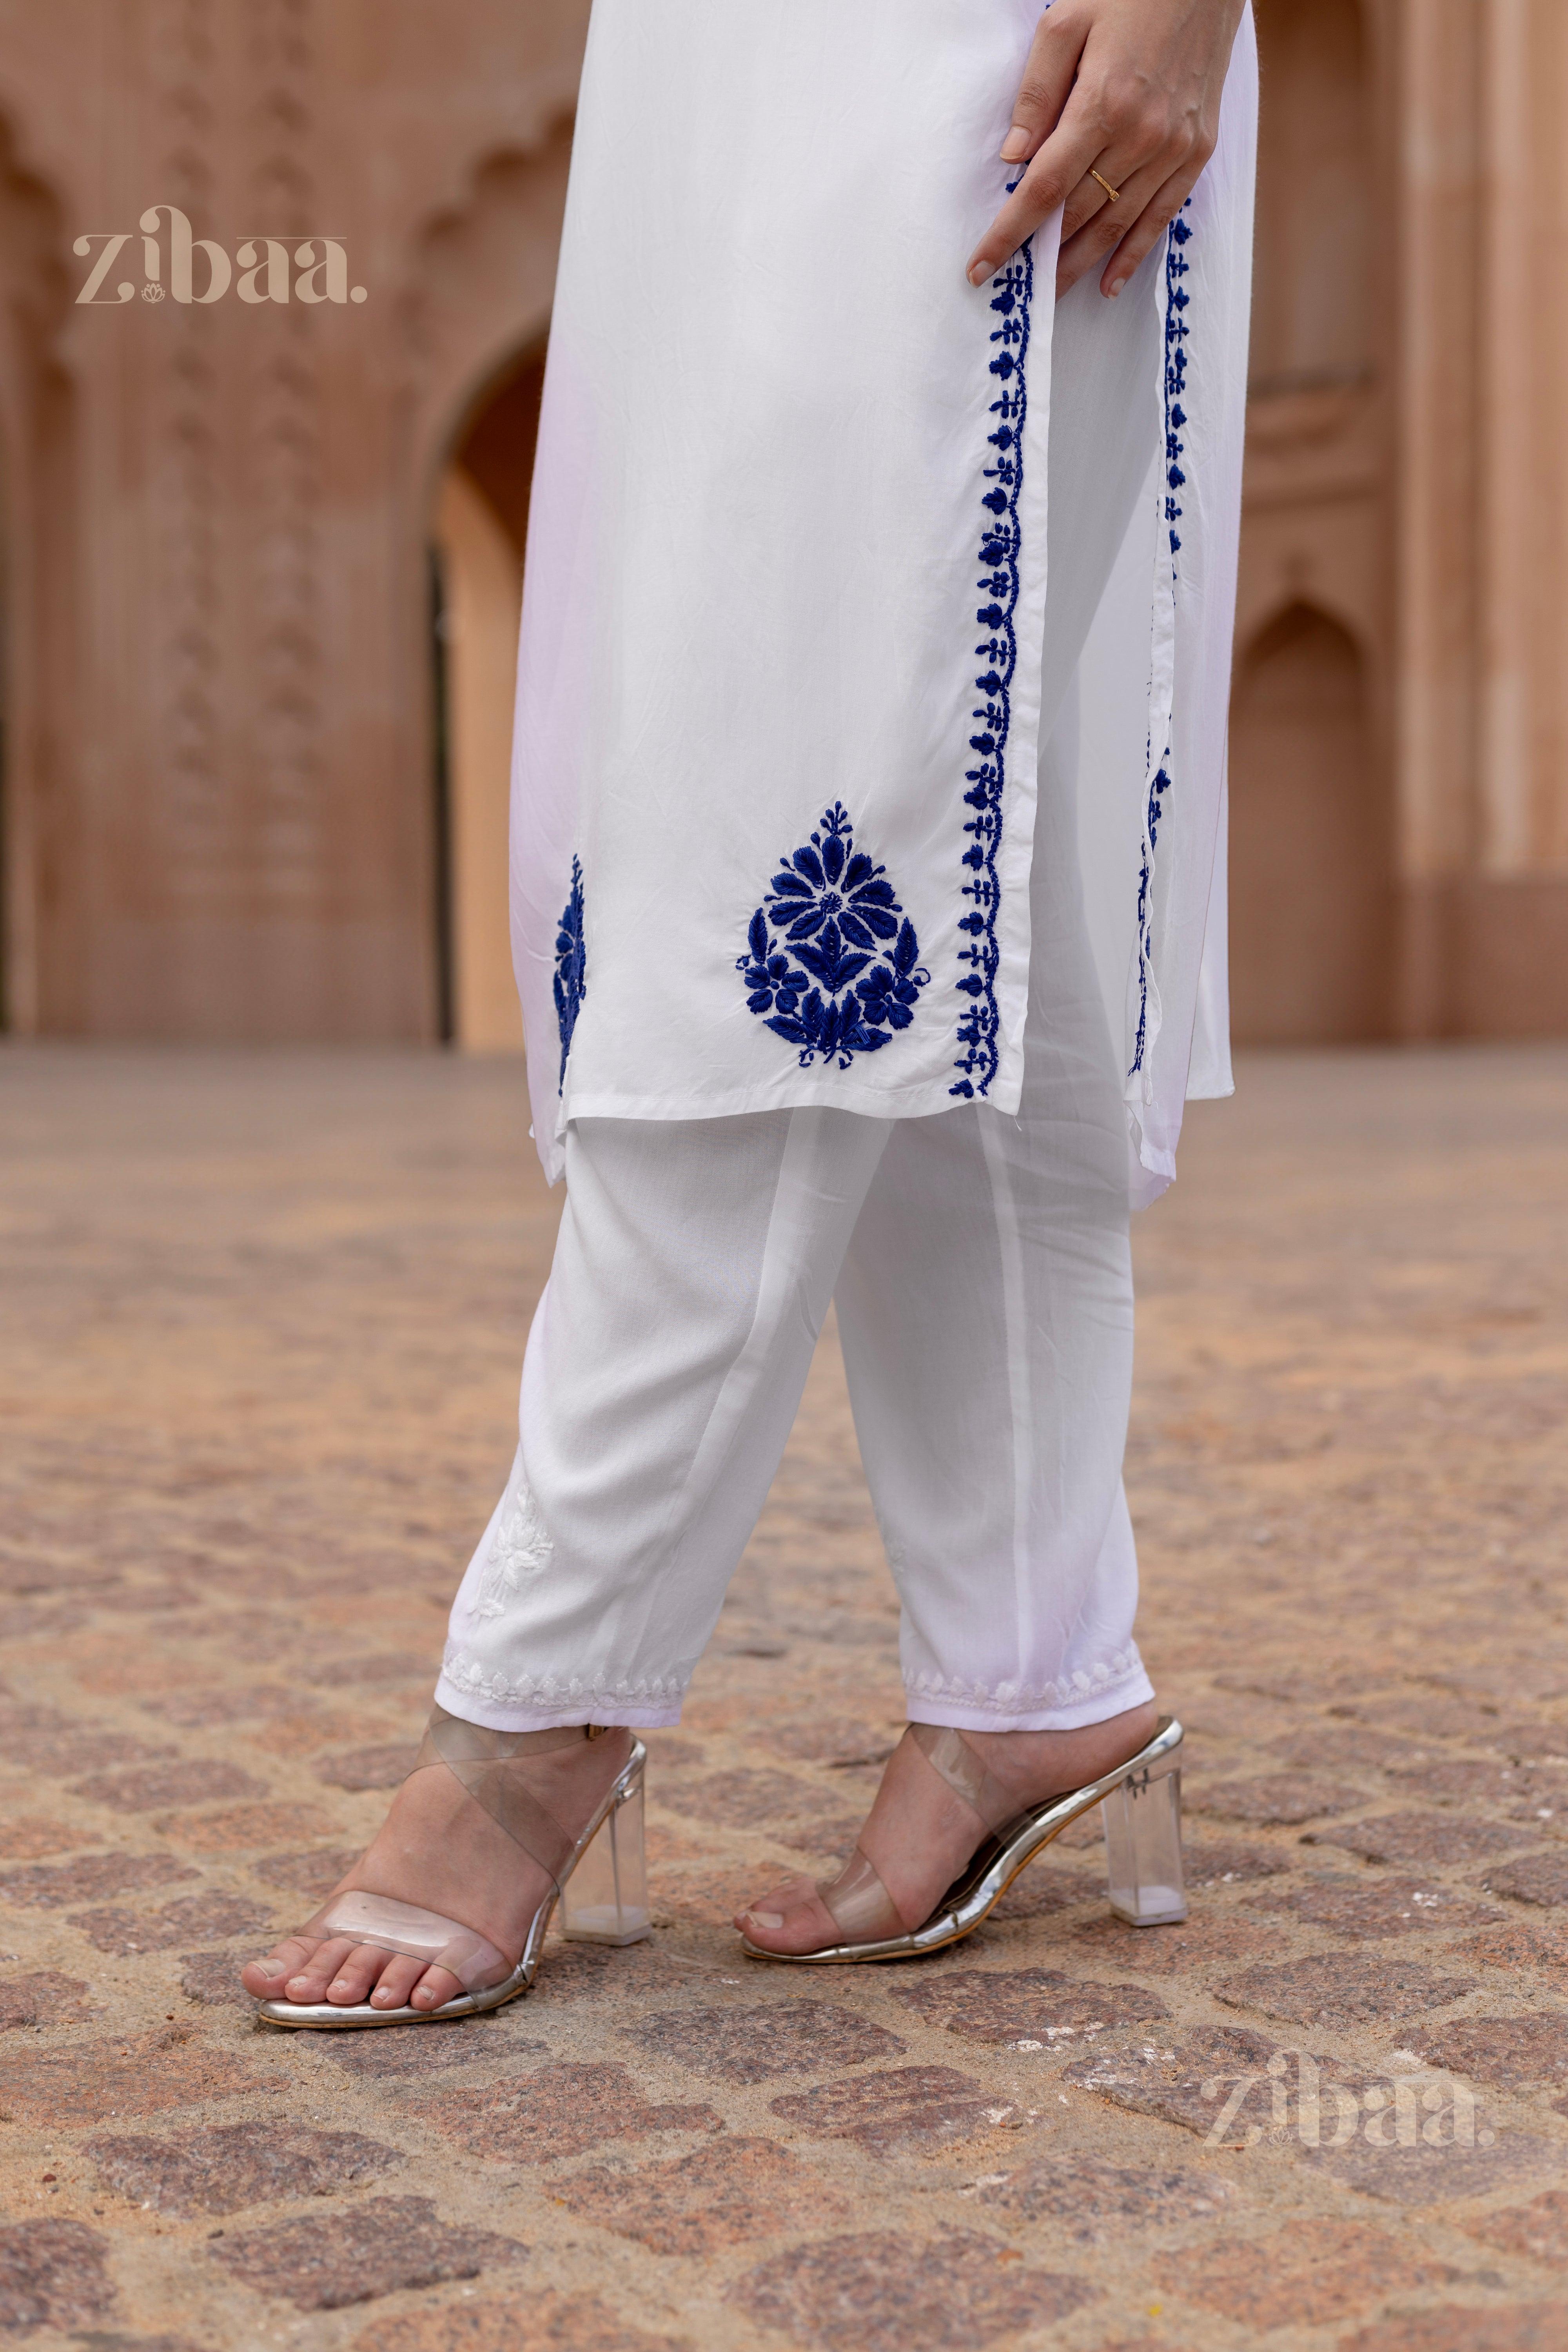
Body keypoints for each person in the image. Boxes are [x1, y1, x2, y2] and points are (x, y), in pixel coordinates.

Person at [243, 0, 1255, 2028]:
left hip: (987, 53)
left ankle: (534, 1722)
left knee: (802, 841)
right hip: (725, 72)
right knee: (971, 868)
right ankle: (1034, 1666)